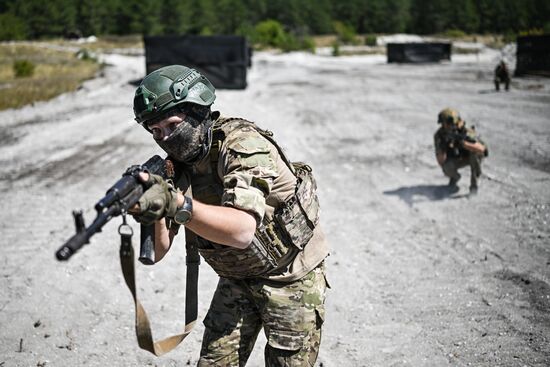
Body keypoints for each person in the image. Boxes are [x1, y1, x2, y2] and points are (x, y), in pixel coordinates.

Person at [130, 65, 330, 366]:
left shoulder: (243, 146)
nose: (166, 139)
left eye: (172, 125)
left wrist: (174, 202)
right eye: (156, 131)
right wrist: (154, 209)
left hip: (290, 275)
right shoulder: (177, 166)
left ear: (197, 112)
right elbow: (157, 252)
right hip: (238, 277)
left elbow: (241, 231)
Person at [434, 108, 488, 195]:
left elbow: (483, 150)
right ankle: (455, 178)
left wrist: (464, 144)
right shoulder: (439, 135)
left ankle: (474, 187)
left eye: (448, 124)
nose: (446, 126)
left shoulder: (465, 131)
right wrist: (442, 148)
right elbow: (440, 161)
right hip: (457, 158)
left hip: (469, 156)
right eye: (444, 124)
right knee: (446, 167)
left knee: (475, 155)